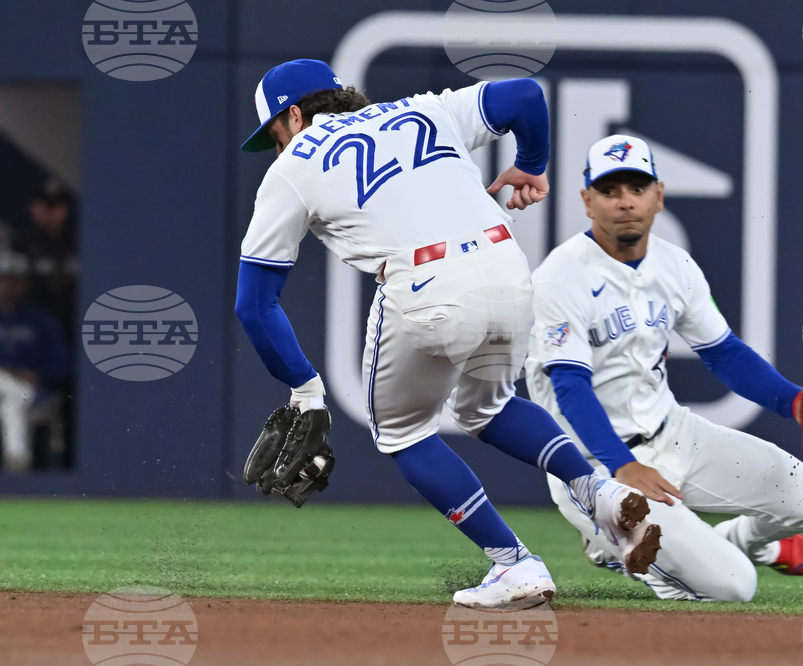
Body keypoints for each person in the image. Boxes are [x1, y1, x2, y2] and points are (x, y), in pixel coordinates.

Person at [234, 60, 663, 608]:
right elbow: (524, 95)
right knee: (490, 408)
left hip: (427, 282)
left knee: (403, 433)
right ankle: (600, 493)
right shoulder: (424, 108)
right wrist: (530, 164)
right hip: (506, 266)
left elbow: (254, 303)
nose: (276, 146)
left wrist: (303, 387)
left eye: (273, 133)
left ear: (293, 115)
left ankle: (514, 564)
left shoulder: (293, 165)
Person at [525, 134, 803, 602]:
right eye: (610, 190)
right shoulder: (561, 276)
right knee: (734, 588)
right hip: (592, 466)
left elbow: (723, 352)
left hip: (673, 433)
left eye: (636, 188)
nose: (625, 202)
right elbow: (570, 385)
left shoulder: (677, 266)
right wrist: (622, 466)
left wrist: (795, 401)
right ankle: (625, 545)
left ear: (658, 195)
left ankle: (726, 543)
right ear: (587, 201)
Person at [0, 252, 70, 472]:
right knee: (10, 395)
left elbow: (61, 362)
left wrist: (39, 375)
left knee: (11, 400)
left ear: (25, 284)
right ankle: (18, 462)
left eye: (16, 280)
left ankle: (17, 462)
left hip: (31, 394)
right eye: (4, 280)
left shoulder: (41, 321)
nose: (10, 286)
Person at [15, 179, 78, 338]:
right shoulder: (21, 243)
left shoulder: (78, 242)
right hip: (35, 322)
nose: (50, 212)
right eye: (44, 206)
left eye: (55, 206)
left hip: (73, 318)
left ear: (65, 209)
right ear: (33, 208)